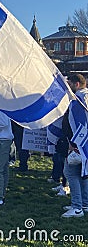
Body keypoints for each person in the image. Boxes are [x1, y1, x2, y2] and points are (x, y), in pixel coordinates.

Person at [61, 73, 88, 218]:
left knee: (72, 174)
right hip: (85, 144)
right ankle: (84, 203)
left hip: (80, 143)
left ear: (77, 84)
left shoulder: (78, 100)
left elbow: (79, 125)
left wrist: (73, 143)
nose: (69, 87)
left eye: (70, 84)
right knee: (83, 175)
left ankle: (77, 207)